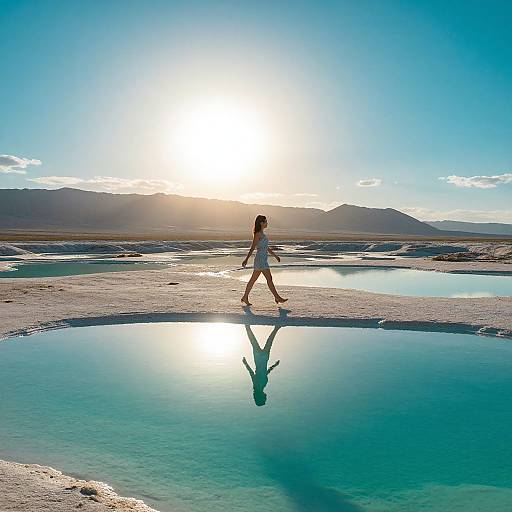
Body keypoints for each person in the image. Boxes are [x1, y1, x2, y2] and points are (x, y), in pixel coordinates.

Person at [241, 214, 288, 306]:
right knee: (269, 278)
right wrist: (246, 259)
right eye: (266, 221)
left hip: (262, 260)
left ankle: (245, 297)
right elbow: (252, 247)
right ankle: (277, 297)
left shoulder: (262, 233)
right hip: (260, 260)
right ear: (261, 223)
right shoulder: (258, 234)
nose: (267, 223)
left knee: (253, 280)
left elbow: (266, 247)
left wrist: (275, 256)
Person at [242, 325, 281, 406]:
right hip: (263, 359)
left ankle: (247, 325)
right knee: (267, 342)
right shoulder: (260, 386)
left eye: (264, 399)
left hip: (260, 359)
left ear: (260, 397)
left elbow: (251, 373)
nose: (266, 398)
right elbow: (265, 373)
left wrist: (245, 363)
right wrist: (274, 366)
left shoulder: (257, 386)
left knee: (258, 341)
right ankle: (247, 326)